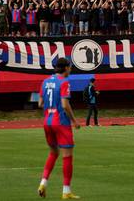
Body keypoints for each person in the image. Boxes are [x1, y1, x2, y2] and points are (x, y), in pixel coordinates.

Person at [38, 58, 81, 199]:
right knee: (67, 155)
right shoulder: (64, 82)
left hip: (47, 122)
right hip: (61, 122)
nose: (71, 69)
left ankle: (43, 183)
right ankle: (66, 191)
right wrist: (74, 121)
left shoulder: (45, 81)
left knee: (53, 153)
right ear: (66, 68)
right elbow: (64, 105)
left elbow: (40, 103)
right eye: (70, 67)